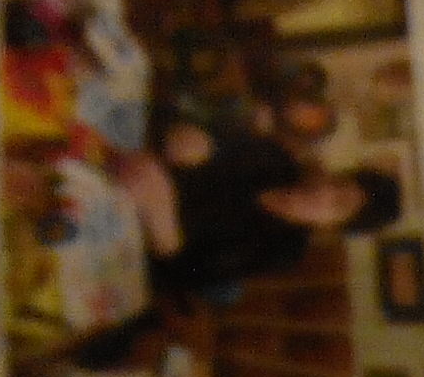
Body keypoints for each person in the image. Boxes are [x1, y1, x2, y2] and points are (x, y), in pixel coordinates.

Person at [112, 121, 403, 303]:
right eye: (337, 183)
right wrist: (186, 136)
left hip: (127, 250)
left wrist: (160, 218)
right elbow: (186, 129)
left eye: (338, 205)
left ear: (333, 226)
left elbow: (185, 275)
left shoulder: (285, 250)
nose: (324, 193)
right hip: (120, 177)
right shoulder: (272, 157)